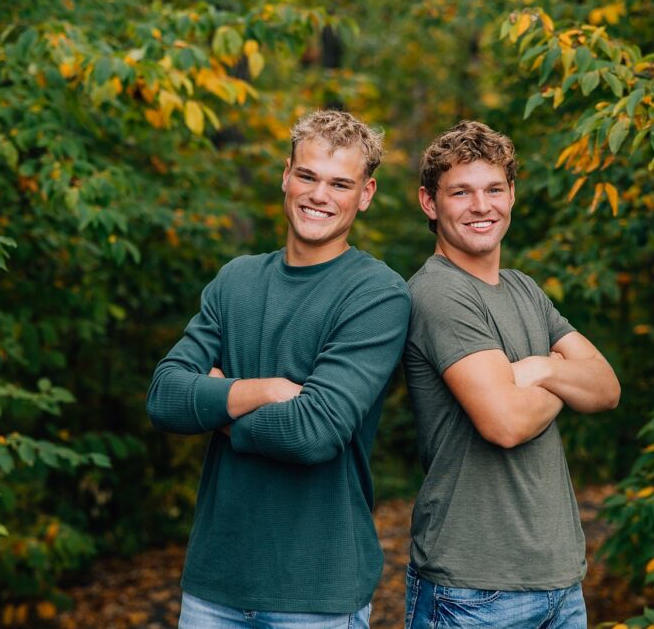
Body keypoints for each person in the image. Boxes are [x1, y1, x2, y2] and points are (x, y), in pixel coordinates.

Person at [147, 110, 411, 628]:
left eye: (340, 183)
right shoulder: (235, 279)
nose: (319, 195)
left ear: (366, 193)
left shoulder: (377, 292)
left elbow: (314, 432)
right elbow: (163, 396)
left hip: (317, 592)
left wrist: (218, 406)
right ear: (286, 175)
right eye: (308, 176)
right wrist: (263, 390)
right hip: (213, 584)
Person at [402, 121, 621, 628]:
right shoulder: (439, 293)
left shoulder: (524, 289)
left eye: (494, 189)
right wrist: (566, 375)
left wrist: (541, 367)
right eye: (461, 192)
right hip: (475, 590)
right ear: (430, 203)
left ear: (512, 195)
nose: (482, 206)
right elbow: (505, 423)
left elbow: (607, 389)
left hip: (559, 582)